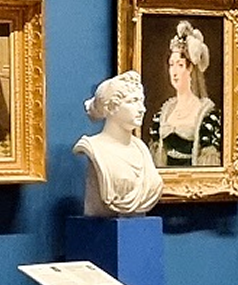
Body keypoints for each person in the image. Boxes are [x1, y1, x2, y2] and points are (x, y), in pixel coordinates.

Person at [75, 71, 163, 217]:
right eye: (133, 101)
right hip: (103, 231)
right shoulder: (95, 148)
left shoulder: (141, 149)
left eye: (141, 101)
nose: (142, 109)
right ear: (111, 108)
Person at [147, 21, 223, 167]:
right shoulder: (163, 113)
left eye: (180, 65)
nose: (174, 72)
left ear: (190, 69)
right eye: (171, 64)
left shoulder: (205, 114)